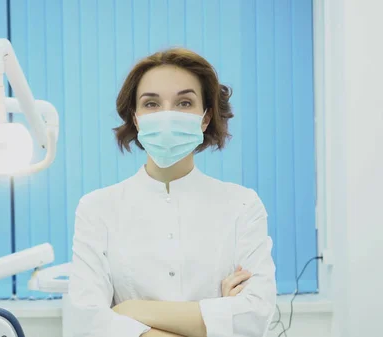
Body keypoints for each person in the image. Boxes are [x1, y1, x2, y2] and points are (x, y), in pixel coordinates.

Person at [66, 47, 277, 337]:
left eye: (184, 102)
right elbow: (85, 324)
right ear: (136, 118)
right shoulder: (97, 209)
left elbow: (255, 317)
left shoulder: (242, 205)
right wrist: (216, 317)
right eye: (152, 104)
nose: (167, 115)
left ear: (205, 118)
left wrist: (130, 311)